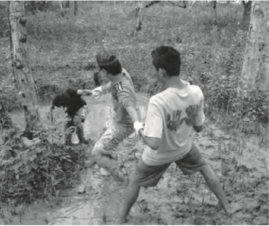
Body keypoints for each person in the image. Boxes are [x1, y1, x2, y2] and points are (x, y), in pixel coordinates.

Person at [118, 46, 231, 223]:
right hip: (184, 148)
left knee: (134, 181)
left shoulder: (158, 101)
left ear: (161, 72)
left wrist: (139, 128)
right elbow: (199, 127)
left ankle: (121, 219)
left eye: (154, 70)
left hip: (158, 156)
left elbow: (154, 143)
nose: (154, 73)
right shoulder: (196, 91)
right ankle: (227, 207)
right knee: (204, 168)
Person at [91, 50, 144, 182]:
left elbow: (130, 107)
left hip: (124, 125)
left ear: (104, 71)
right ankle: (110, 156)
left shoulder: (123, 90)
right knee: (107, 140)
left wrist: (137, 124)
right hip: (121, 119)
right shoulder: (121, 73)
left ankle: (121, 179)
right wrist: (102, 89)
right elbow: (114, 83)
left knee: (96, 152)